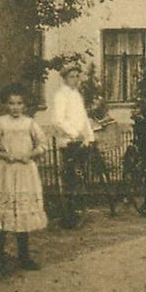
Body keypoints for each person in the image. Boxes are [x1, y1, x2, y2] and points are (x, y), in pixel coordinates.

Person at [0, 83, 47, 273]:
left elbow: (43, 145)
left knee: (22, 211)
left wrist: (31, 154)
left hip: (25, 171)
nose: (15, 107)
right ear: (5, 105)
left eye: (19, 103)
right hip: (4, 172)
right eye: (11, 103)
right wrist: (4, 156)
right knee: (4, 210)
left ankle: (24, 257)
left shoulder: (30, 123)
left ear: (24, 105)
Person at [51, 64, 95, 226]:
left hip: (81, 142)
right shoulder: (61, 95)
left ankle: (79, 212)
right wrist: (74, 134)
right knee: (70, 178)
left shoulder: (76, 94)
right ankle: (68, 215)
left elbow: (83, 118)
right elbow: (58, 120)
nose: (75, 80)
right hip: (69, 142)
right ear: (64, 78)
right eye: (72, 76)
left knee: (81, 177)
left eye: (77, 76)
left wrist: (89, 136)